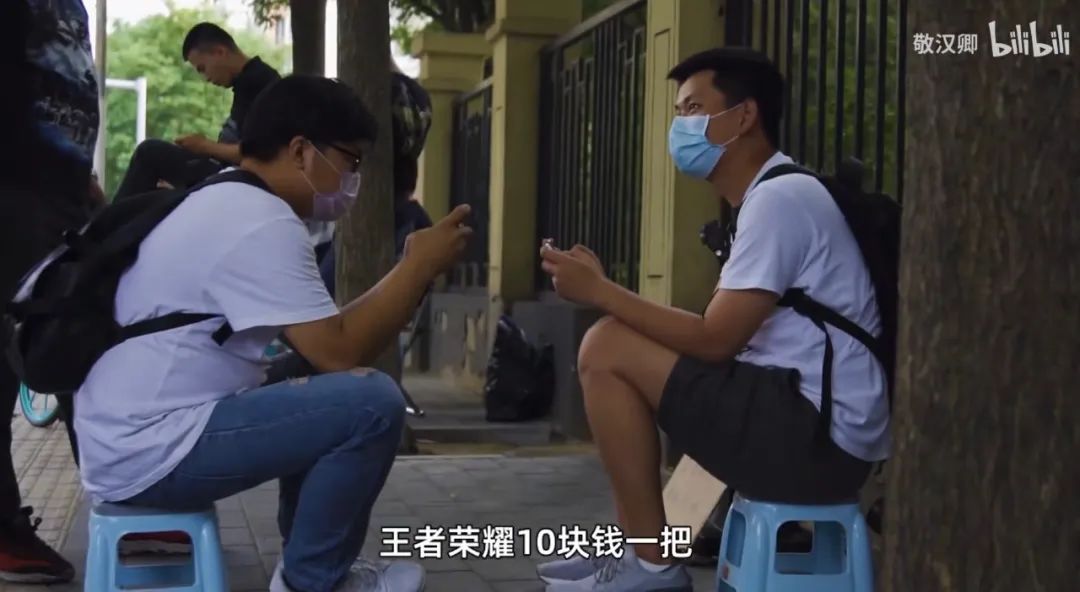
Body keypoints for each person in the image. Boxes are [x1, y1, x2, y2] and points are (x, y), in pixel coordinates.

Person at [73, 75, 472, 592]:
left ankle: (309, 562)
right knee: (372, 403)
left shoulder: (227, 196)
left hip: (126, 440)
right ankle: (312, 580)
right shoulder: (259, 219)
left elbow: (324, 342)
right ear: (301, 151)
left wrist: (410, 267)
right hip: (152, 451)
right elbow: (340, 350)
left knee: (318, 380)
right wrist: (416, 267)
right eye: (350, 160)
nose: (353, 179)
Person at [536, 47, 889, 591]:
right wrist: (612, 297)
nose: (681, 126)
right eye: (679, 112)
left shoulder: (779, 200)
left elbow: (715, 340)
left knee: (605, 348)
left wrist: (600, 292)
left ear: (744, 116)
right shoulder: (773, 196)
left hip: (815, 443)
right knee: (619, 340)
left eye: (694, 109)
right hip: (816, 432)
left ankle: (650, 565)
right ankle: (636, 549)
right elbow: (716, 328)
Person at [0, 0, 103, 583]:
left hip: (58, 194)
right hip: (13, 192)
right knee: (21, 351)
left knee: (79, 345)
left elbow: (59, 86)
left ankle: (124, 500)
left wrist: (80, 178)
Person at [112, 22, 281, 200]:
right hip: (223, 171)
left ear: (220, 52)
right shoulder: (248, 81)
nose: (206, 78)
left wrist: (204, 146)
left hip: (233, 177)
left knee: (148, 153)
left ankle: (110, 218)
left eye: (202, 68)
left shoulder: (259, 83)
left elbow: (258, 152)